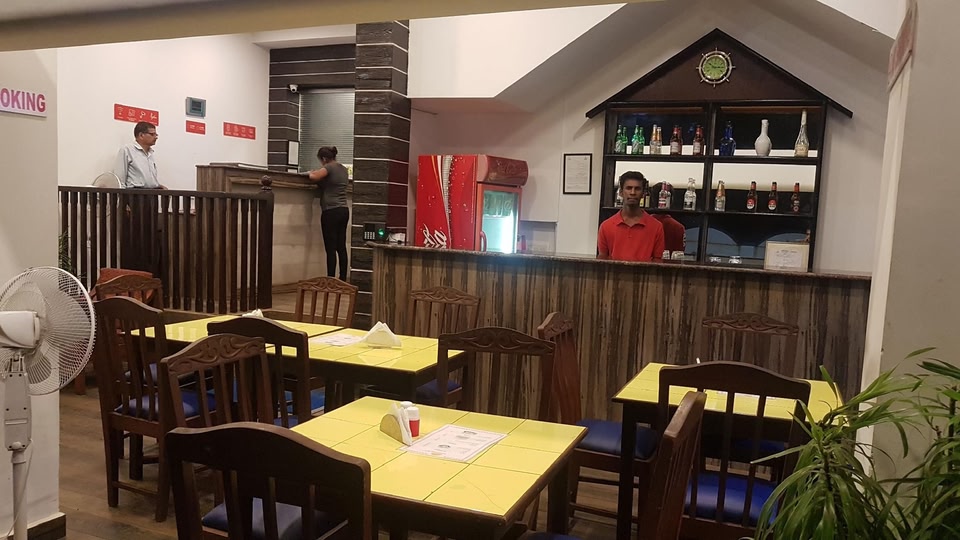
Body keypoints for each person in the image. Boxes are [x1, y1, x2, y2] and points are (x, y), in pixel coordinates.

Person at [598, 171, 664, 261]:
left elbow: (658, 261)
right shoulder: (606, 227)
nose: (633, 192)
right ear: (621, 192)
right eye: (629, 188)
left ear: (643, 193)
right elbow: (602, 261)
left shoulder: (656, 227)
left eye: (637, 189)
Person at [308, 146, 351, 281]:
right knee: (341, 246)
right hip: (344, 210)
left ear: (324, 159)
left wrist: (310, 172)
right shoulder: (343, 168)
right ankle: (343, 278)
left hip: (331, 211)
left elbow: (314, 176)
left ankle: (331, 279)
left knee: (331, 248)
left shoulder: (329, 167)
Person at [114, 121, 166, 189]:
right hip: (135, 193)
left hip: (152, 192)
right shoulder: (127, 150)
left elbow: (145, 179)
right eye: (152, 134)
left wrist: (158, 185)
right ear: (141, 135)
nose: (156, 137)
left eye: (156, 135)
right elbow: (120, 179)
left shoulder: (150, 153)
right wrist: (121, 193)